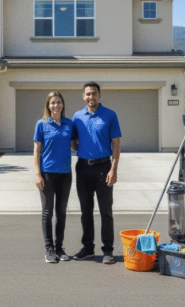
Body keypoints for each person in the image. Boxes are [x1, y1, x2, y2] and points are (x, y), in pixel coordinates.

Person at [71, 82, 122, 264]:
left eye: (94, 94)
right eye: (88, 94)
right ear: (83, 96)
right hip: (83, 168)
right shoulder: (77, 117)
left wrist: (113, 169)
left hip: (103, 168)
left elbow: (116, 144)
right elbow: (73, 142)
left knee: (105, 210)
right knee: (86, 211)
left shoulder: (110, 115)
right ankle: (88, 248)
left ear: (100, 96)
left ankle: (108, 250)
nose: (91, 97)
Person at [33, 91, 75, 263]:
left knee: (61, 213)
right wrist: (37, 174)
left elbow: (75, 145)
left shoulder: (69, 124)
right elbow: (36, 150)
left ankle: (59, 248)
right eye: (52, 103)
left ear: (62, 105)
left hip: (65, 174)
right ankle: (49, 249)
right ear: (48, 106)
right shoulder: (41, 124)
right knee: (47, 212)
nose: (56, 105)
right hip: (47, 174)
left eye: (58, 102)